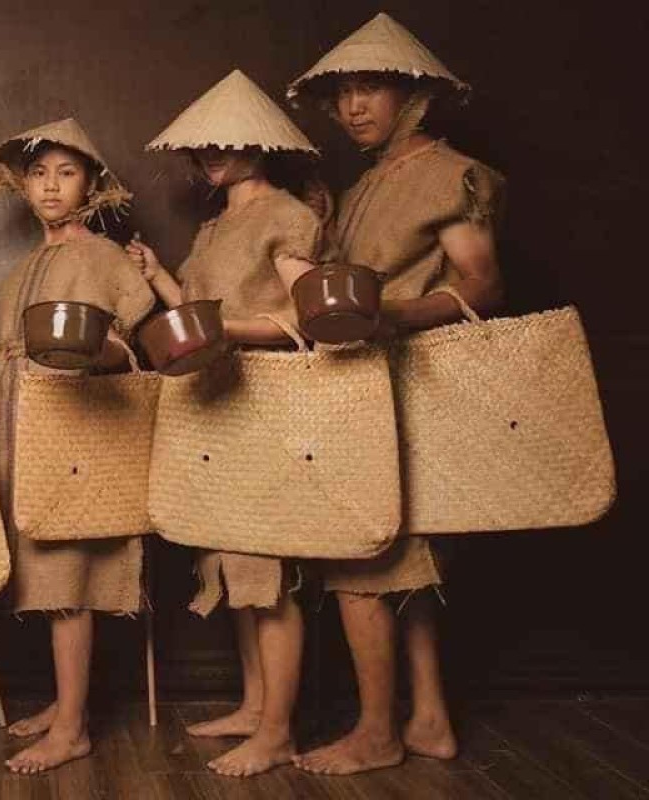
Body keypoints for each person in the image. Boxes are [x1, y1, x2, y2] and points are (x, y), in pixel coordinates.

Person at [287, 12, 505, 775]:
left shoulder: (449, 173)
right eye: (343, 93)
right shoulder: (361, 185)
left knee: (365, 562)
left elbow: (483, 283)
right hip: (361, 390)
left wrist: (393, 317)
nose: (353, 107)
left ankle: (377, 733)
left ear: (414, 96)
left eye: (370, 89)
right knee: (405, 564)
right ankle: (431, 719)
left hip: (411, 384)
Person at [127, 69, 326, 777]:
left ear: (260, 143)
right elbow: (195, 311)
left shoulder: (286, 215)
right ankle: (253, 705)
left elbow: (309, 315)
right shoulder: (214, 226)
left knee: (265, 568)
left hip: (265, 403)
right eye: (202, 142)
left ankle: (278, 731)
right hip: (215, 406)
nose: (210, 151)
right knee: (235, 565)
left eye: (225, 140)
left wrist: (226, 330)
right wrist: (158, 276)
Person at [0, 118, 155, 773]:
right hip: (22, 431)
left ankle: (73, 728)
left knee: (67, 579)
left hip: (76, 436)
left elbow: (128, 348)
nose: (50, 186)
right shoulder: (21, 271)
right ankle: (66, 704)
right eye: (39, 174)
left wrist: (88, 353)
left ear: (91, 183)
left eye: (67, 173)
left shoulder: (106, 258)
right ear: (22, 184)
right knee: (39, 573)